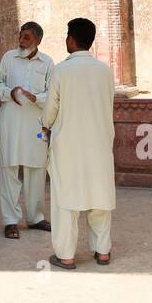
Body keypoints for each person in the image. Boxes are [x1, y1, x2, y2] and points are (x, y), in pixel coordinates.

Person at [42, 17, 116, 270]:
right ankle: (102, 251)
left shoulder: (61, 70)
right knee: (99, 197)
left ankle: (66, 255)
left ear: (71, 39)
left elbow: (51, 108)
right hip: (99, 143)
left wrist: (44, 124)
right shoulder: (105, 71)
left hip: (69, 146)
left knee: (66, 201)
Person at [0, 22, 53, 239]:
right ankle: (10, 220)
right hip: (9, 123)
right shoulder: (9, 58)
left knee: (36, 169)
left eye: (27, 37)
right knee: (8, 169)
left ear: (38, 40)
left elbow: (53, 93)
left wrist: (37, 98)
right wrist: (10, 92)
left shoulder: (47, 62)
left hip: (36, 125)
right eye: (21, 35)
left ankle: (36, 217)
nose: (22, 40)